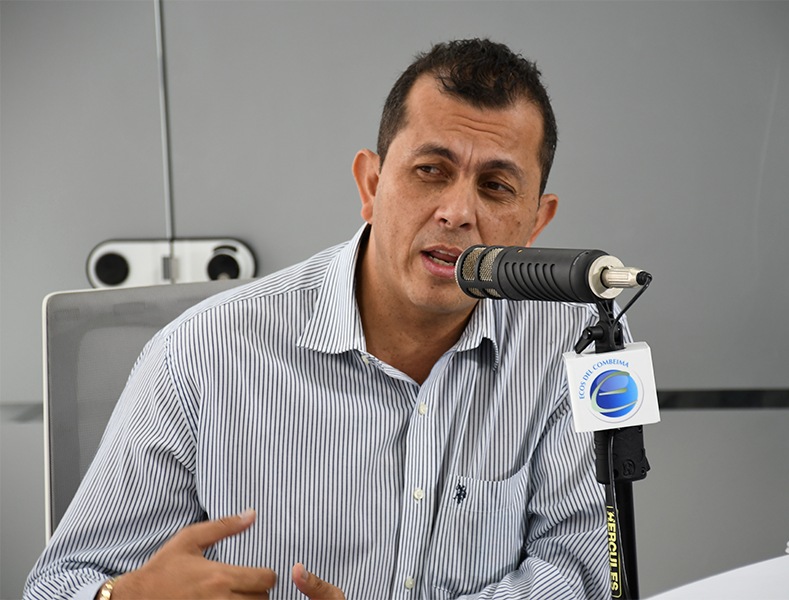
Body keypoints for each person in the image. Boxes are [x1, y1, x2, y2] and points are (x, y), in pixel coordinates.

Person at [25, 38, 626, 600]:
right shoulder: (202, 353)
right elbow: (56, 583)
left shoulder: (579, 345)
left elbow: (584, 574)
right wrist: (120, 597)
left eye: (495, 186)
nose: (457, 212)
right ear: (371, 184)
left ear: (536, 221)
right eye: (431, 170)